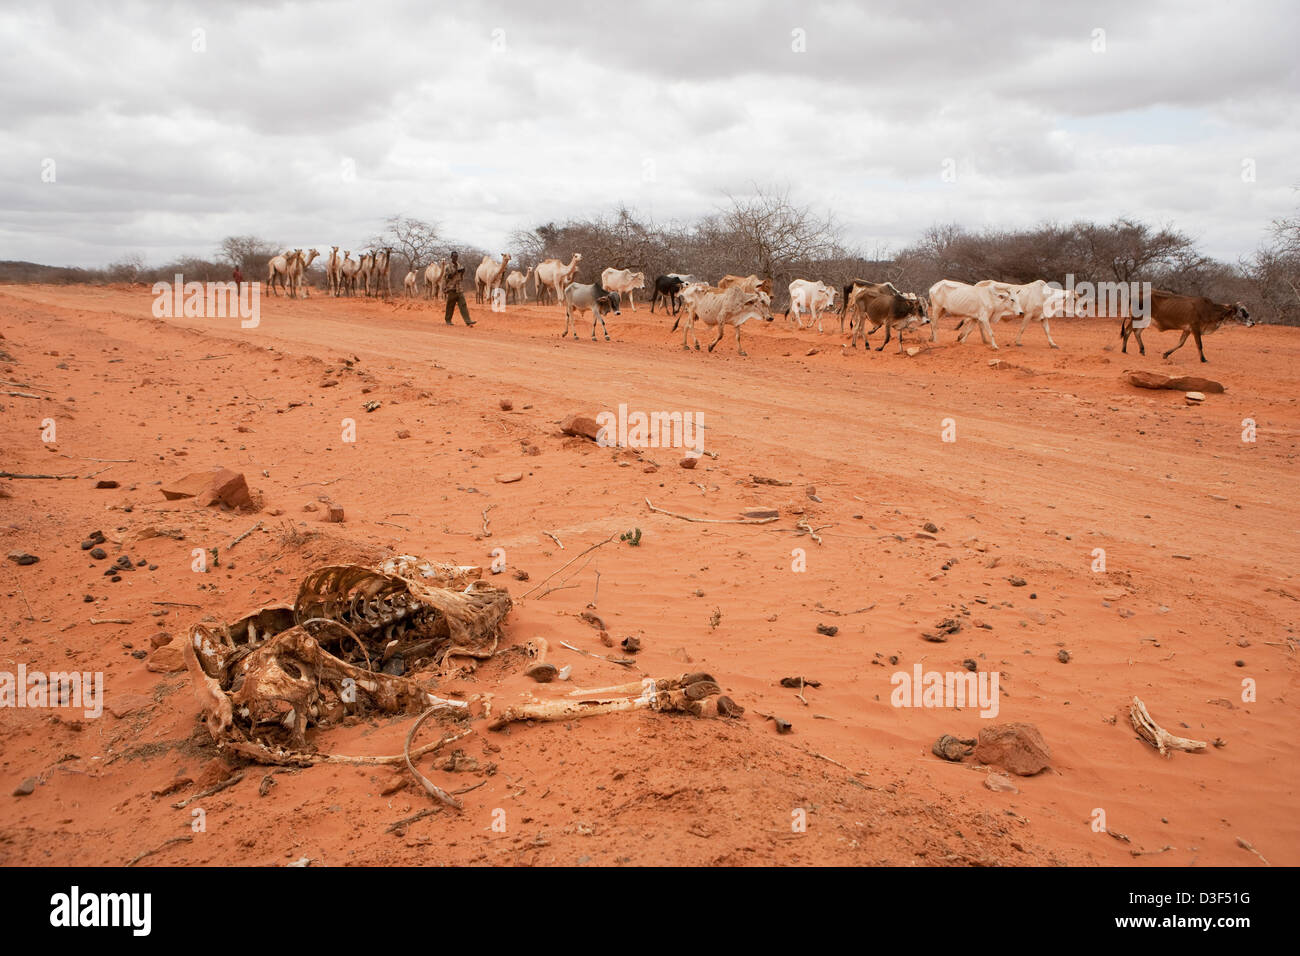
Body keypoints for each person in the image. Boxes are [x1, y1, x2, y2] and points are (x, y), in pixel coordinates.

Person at [443, 251, 475, 326]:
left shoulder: (459, 265)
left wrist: (462, 272)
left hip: (459, 288)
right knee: (450, 305)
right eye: (454, 256)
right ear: (451, 257)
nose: (455, 258)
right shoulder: (448, 266)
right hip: (451, 288)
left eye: (456, 257)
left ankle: (468, 320)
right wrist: (456, 272)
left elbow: (461, 278)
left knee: (463, 304)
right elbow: (447, 277)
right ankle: (448, 320)